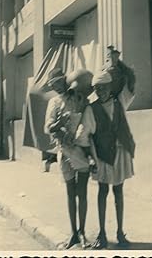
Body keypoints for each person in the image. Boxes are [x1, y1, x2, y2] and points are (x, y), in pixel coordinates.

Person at [75, 65, 136, 250]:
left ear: (110, 87)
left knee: (119, 191)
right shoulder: (91, 110)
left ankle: (120, 232)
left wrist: (119, 64)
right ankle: (102, 234)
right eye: (96, 89)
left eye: (103, 88)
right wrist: (90, 157)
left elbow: (132, 81)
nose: (100, 92)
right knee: (103, 192)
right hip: (102, 155)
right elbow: (82, 136)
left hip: (121, 152)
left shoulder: (120, 102)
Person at [44, 68, 94, 249]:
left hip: (81, 151)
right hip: (64, 151)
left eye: (57, 83)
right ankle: (73, 232)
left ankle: (82, 233)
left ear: (64, 80)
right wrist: (60, 124)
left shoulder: (79, 98)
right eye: (52, 85)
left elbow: (87, 119)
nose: (55, 87)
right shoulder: (54, 102)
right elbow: (48, 127)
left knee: (83, 193)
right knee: (70, 194)